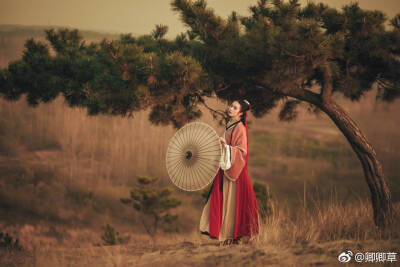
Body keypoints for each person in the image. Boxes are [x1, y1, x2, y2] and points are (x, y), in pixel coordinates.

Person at [199, 99, 260, 245]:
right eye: (231, 105)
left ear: (241, 112)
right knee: (225, 201)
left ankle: (233, 235)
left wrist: (226, 146)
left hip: (235, 172)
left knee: (233, 203)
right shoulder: (229, 124)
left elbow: (242, 151)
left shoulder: (239, 128)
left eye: (234, 107)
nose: (230, 108)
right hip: (226, 168)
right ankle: (225, 235)